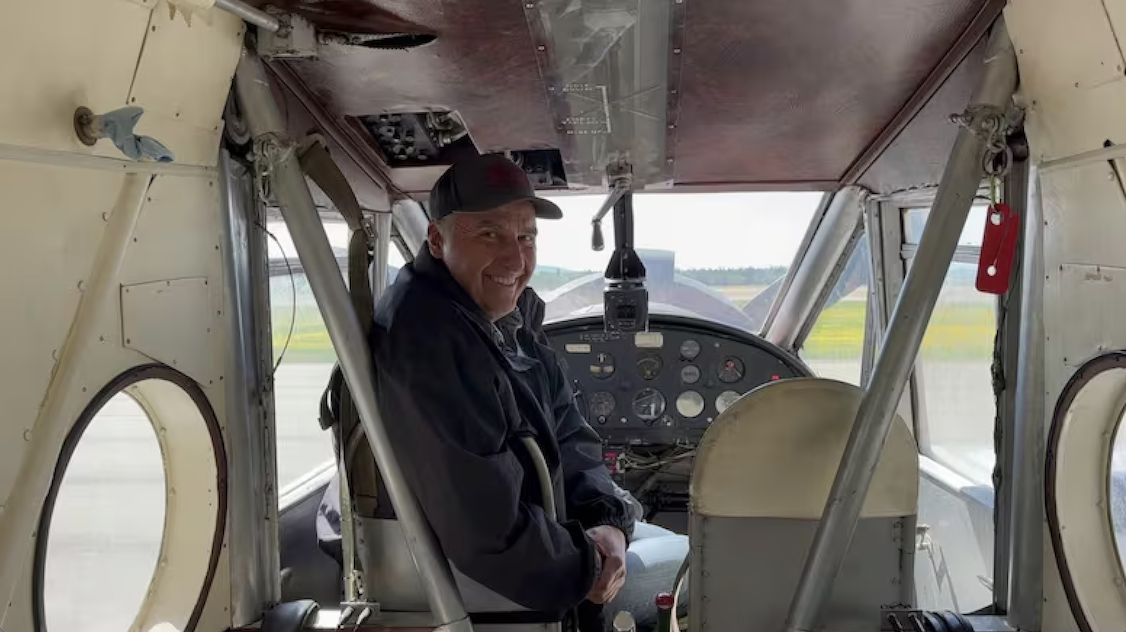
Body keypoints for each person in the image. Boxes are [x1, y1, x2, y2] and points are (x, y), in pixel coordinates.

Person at [317, 153, 687, 631]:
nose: (515, 259)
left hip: (538, 555)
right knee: (690, 560)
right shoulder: (431, 341)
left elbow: (570, 435)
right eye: (488, 233)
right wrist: (588, 567)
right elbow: (486, 530)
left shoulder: (504, 324)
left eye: (526, 236)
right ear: (436, 238)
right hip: (504, 585)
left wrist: (609, 519)